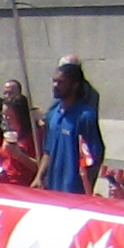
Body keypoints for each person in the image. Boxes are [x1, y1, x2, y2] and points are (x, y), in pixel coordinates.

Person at [42, 59, 105, 196]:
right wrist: (39, 178)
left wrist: (88, 189)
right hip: (52, 188)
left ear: (75, 85)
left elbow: (94, 157)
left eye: (61, 82)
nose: (55, 85)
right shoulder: (53, 114)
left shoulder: (85, 116)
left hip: (74, 191)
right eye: (54, 81)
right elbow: (47, 151)